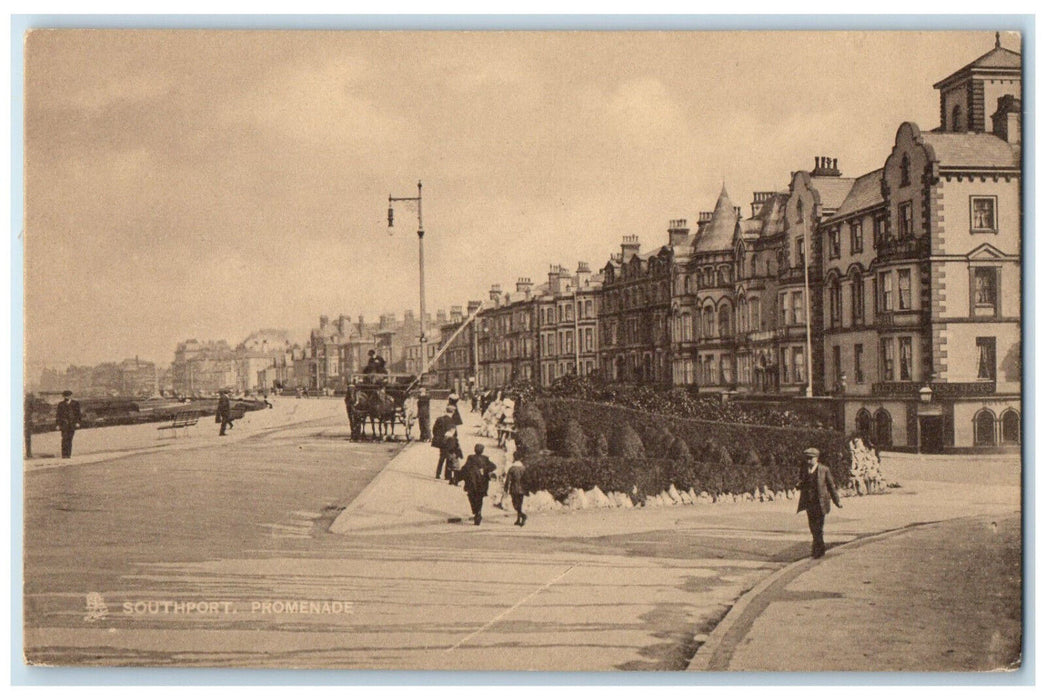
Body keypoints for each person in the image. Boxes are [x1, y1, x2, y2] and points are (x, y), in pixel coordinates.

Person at [796, 447, 842, 559]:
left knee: (818, 527)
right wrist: (799, 485)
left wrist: (837, 501)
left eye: (810, 458)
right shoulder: (805, 470)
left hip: (821, 503)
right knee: (812, 527)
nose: (808, 461)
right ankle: (819, 548)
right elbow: (802, 483)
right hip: (809, 503)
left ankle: (817, 549)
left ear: (816, 458)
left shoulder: (824, 469)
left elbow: (831, 487)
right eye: (807, 458)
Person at [461, 444, 498, 525]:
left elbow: (464, 468)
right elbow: (494, 466)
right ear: (482, 451)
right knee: (479, 499)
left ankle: (476, 512)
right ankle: (478, 512)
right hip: (482, 483)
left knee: (471, 496)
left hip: (472, 483)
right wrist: (485, 470)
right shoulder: (485, 459)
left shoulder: (470, 458)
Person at [432, 405, 458, 480]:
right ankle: (447, 475)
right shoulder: (452, 421)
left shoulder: (439, 419)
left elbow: (434, 430)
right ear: (453, 412)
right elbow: (454, 433)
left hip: (440, 442)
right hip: (448, 441)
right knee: (449, 458)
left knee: (441, 457)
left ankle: (438, 473)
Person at [55, 390, 81, 458]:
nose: (67, 397)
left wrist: (78, 422)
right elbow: (58, 415)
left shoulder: (76, 403)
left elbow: (78, 414)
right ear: (63, 396)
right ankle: (64, 454)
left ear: (71, 396)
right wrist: (57, 424)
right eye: (65, 396)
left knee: (70, 439)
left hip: (72, 424)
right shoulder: (60, 404)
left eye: (68, 395)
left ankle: (68, 454)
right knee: (64, 439)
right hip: (64, 424)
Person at [504, 459, 528, 526]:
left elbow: (508, 480)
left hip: (514, 488)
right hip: (522, 489)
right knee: (520, 504)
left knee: (515, 504)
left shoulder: (512, 469)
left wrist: (505, 489)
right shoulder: (524, 468)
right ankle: (518, 519)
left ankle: (523, 516)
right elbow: (527, 479)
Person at [24, 392, 35, 459]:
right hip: (27, 422)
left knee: (27, 438)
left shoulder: (29, 403)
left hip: (27, 422)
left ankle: (28, 453)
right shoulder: (29, 402)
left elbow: (32, 411)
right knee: (27, 438)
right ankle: (28, 453)